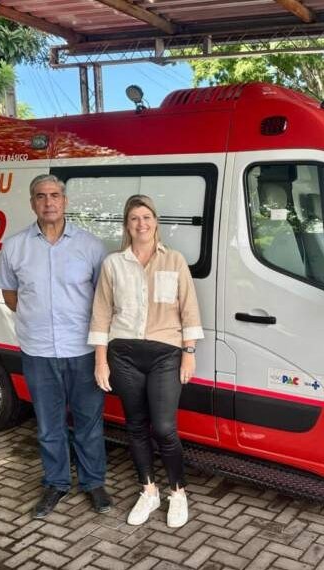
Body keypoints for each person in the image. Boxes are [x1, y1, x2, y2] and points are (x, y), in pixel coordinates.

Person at [0, 173, 112, 519]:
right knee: (48, 424)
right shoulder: (15, 247)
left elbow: (102, 300)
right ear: (32, 203)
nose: (49, 202)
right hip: (38, 351)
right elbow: (10, 295)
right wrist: (38, 319)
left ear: (65, 201)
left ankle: (93, 483)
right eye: (41, 196)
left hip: (83, 350)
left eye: (55, 195)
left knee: (89, 422)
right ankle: (56, 482)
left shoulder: (90, 246)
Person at [88, 194, 203, 529]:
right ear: (127, 224)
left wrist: (189, 353)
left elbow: (189, 308)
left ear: (156, 222)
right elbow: (101, 314)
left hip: (166, 352)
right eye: (135, 218)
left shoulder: (175, 260)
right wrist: (100, 361)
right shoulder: (113, 264)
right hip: (122, 353)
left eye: (147, 217)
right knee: (136, 425)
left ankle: (177, 493)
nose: (141, 224)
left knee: (165, 428)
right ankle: (148, 491)